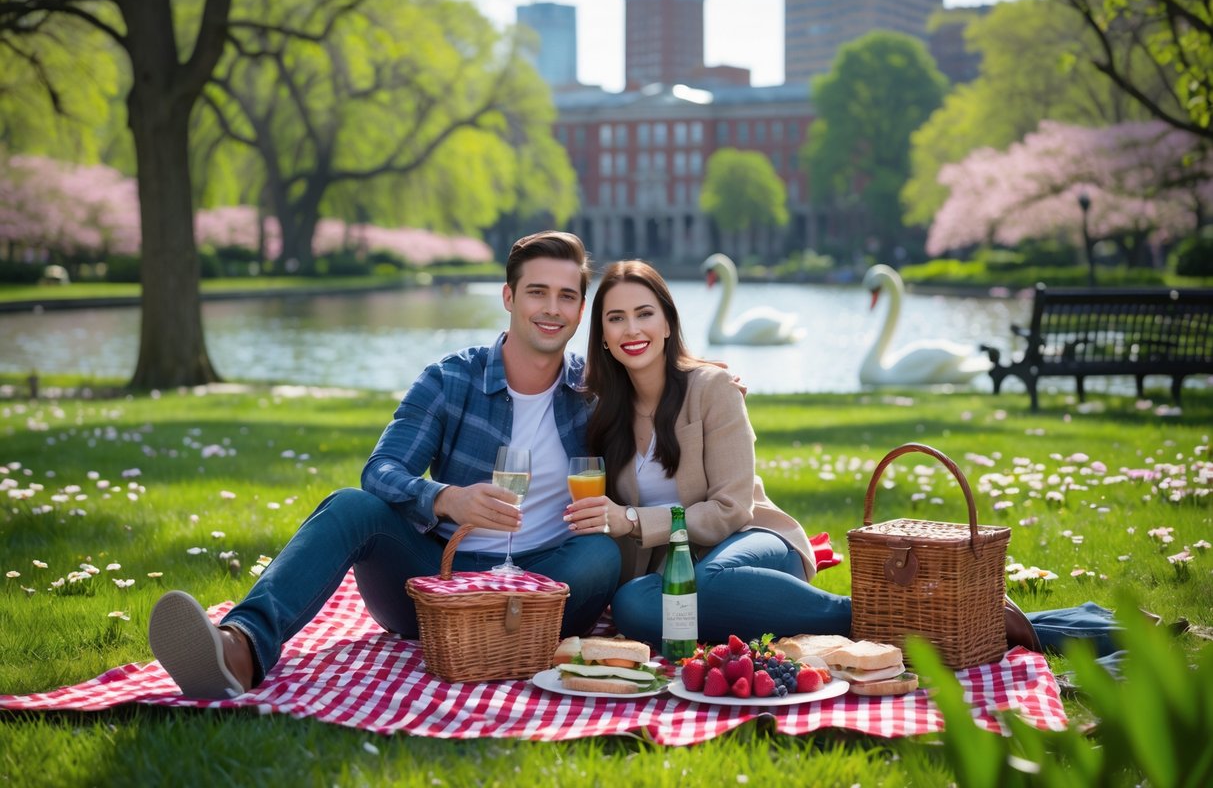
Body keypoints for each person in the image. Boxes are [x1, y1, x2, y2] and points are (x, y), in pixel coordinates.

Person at [568, 260, 1130, 656]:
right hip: (672, 570)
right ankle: (890, 620)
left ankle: (871, 617)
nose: (632, 329)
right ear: (603, 335)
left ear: (667, 322)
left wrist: (636, 521)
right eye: (616, 319)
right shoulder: (603, 412)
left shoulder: (711, 389)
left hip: (750, 544)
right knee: (637, 609)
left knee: (703, 589)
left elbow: (732, 509)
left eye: (644, 313)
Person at [149, 231, 621, 699]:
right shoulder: (450, 379)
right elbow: (381, 470)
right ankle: (240, 649)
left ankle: (510, 638)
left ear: (582, 310)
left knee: (600, 554)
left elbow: (663, 385)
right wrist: (446, 498)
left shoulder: (593, 393)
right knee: (352, 506)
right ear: (509, 296)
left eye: (567, 296)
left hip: (544, 584)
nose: (552, 309)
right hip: (437, 577)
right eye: (537, 292)